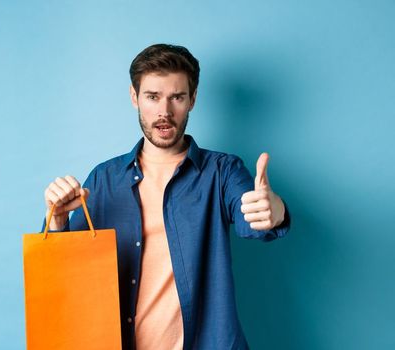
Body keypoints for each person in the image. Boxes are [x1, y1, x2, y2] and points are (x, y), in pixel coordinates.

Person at [42, 43, 290, 350]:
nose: (164, 111)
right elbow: (67, 273)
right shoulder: (104, 179)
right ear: (135, 98)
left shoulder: (222, 171)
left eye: (177, 97)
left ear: (193, 100)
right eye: (153, 96)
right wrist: (58, 220)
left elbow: (254, 220)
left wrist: (274, 209)